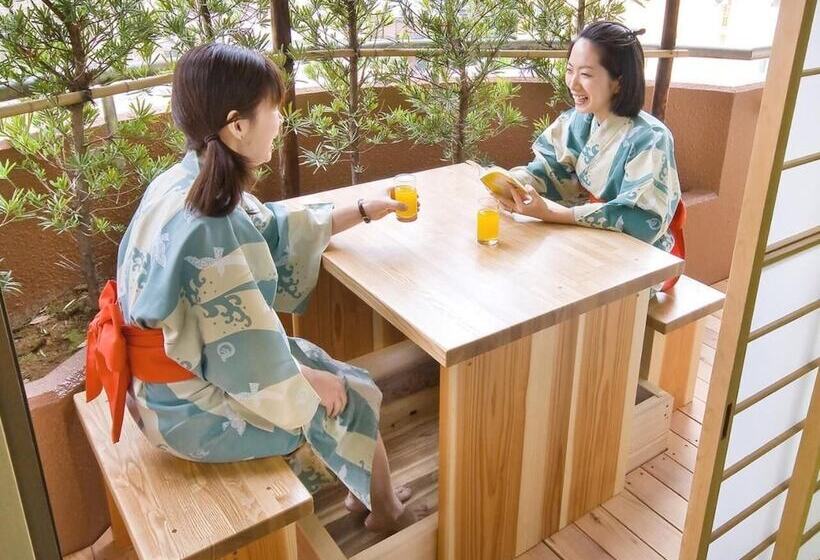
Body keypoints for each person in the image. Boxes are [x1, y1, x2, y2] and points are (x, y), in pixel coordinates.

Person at [85, 43, 415, 533]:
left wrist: (364, 209)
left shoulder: (185, 180)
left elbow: (274, 229)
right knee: (349, 396)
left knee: (326, 370)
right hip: (183, 409)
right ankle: (387, 515)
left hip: (164, 380)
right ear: (238, 125)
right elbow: (245, 357)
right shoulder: (210, 222)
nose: (280, 122)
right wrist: (310, 381)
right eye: (273, 109)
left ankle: (363, 493)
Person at [492, 21, 685, 291]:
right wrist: (510, 183)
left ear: (618, 82)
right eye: (570, 70)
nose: (573, 83)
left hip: (643, 256)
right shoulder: (576, 121)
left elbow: (642, 221)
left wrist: (554, 213)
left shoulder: (651, 138)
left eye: (585, 74)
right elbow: (548, 171)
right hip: (587, 237)